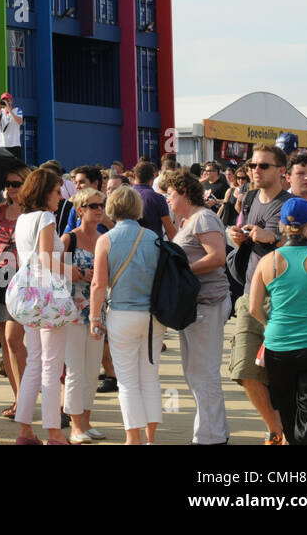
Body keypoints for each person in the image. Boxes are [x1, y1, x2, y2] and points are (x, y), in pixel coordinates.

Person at [250, 198, 307, 445]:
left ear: (283, 226)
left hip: (278, 346)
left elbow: (254, 308)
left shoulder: (269, 261)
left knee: (287, 412)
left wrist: (271, 325)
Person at [226, 143, 291, 445]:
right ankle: (275, 428)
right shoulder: (249, 198)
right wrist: (236, 235)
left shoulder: (288, 204)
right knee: (244, 368)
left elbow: (302, 245)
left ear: (281, 171)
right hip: (250, 294)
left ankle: (284, 430)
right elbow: (242, 231)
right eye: (252, 165)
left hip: (283, 299)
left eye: (263, 166)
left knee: (283, 375)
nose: (255, 170)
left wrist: (275, 237)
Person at [89, 186, 163, 445]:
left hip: (121, 313)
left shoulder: (106, 240)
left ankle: (133, 438)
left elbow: (99, 284)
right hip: (153, 316)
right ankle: (150, 438)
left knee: (128, 381)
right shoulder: (153, 237)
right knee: (150, 378)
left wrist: (94, 318)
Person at [164, 168, 231, 446]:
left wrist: (184, 272)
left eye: (169, 194)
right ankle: (212, 432)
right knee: (196, 373)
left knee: (203, 373)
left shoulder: (202, 218)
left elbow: (218, 256)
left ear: (182, 192)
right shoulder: (189, 220)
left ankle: (210, 437)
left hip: (208, 303)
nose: (167, 199)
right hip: (198, 305)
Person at [9, 168, 70, 445]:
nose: (61, 196)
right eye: (57, 191)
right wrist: (75, 272)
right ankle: (54, 434)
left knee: (35, 361)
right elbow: (46, 260)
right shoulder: (46, 217)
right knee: (51, 364)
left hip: (30, 295)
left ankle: (25, 430)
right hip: (49, 295)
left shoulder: (23, 219)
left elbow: (29, 260)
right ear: (46, 192)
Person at [62, 186, 106, 443]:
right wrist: (76, 272)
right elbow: (51, 271)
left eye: (101, 205)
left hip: (98, 311)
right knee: (76, 370)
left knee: (92, 370)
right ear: (80, 210)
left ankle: (86, 422)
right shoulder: (70, 239)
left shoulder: (104, 238)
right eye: (93, 206)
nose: (99, 210)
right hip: (73, 313)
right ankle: (76, 425)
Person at [0, 167, 31, 418]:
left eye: (17, 183)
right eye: (8, 183)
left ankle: (26, 397)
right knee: (6, 343)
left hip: (23, 279)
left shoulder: (33, 213)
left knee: (17, 340)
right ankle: (18, 399)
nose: (12, 188)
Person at [132, 161, 176, 240]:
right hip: (153, 245)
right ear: (153, 177)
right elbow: (170, 231)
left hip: (127, 246)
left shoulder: (124, 196)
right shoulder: (157, 198)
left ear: (134, 176)